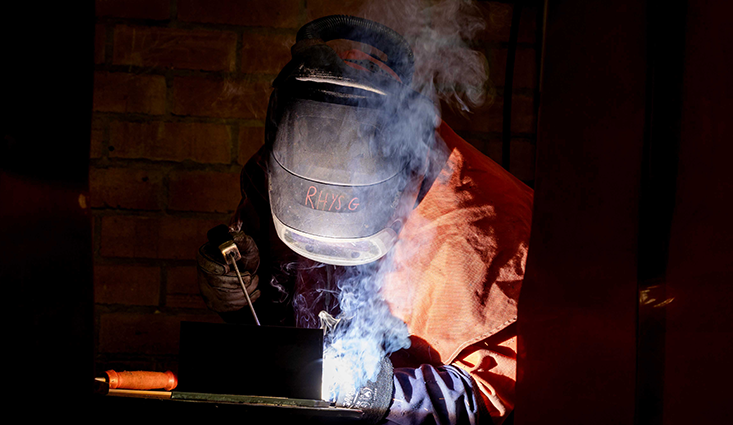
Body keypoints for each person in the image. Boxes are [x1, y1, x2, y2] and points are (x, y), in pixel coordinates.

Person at [197, 15, 533, 425]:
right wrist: (242, 289)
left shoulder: (483, 227)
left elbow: (492, 391)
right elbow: (276, 315)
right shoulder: (282, 168)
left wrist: (377, 394)